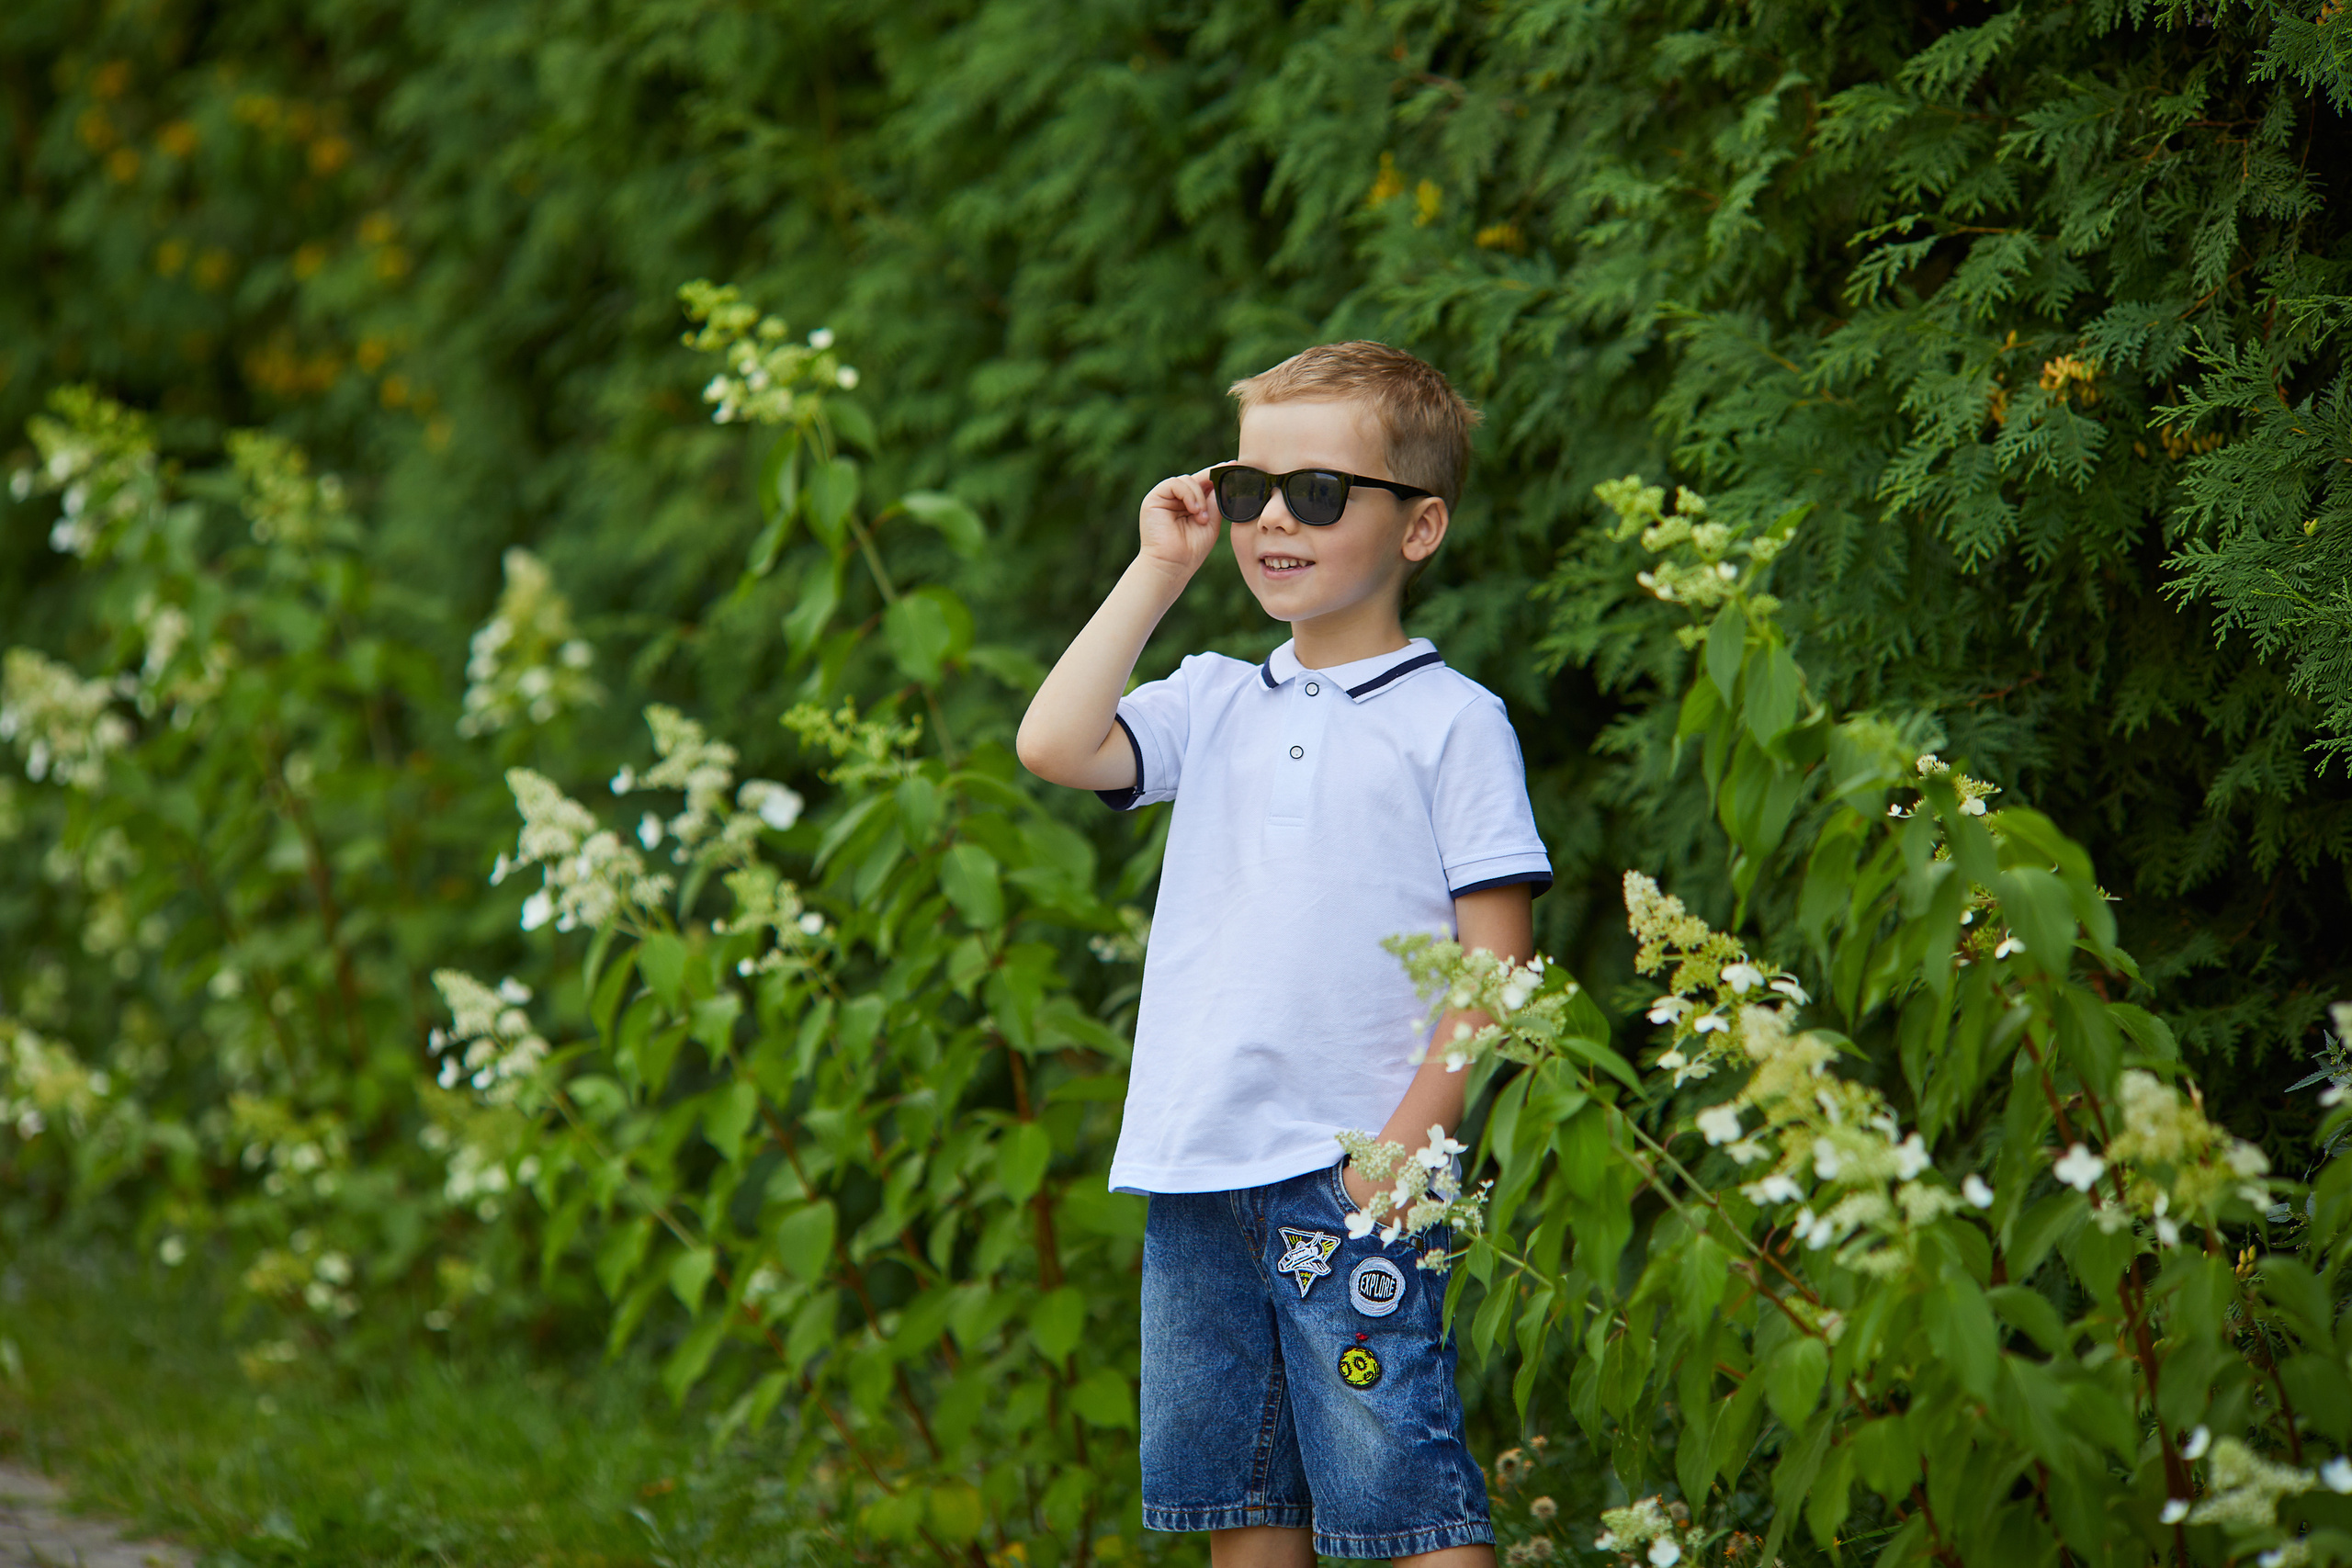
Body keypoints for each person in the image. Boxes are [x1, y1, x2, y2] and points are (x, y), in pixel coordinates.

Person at [1016, 341, 1551, 1568]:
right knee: (1240, 1509)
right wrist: (1161, 567)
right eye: (1249, 486)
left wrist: (1407, 1147)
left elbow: (1499, 958)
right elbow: (1054, 742)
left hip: (1352, 1176)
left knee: (1406, 1498)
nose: (1271, 519)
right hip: (1199, 1169)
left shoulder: (1452, 723)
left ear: (1419, 529)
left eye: (1317, 493)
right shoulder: (1212, 698)